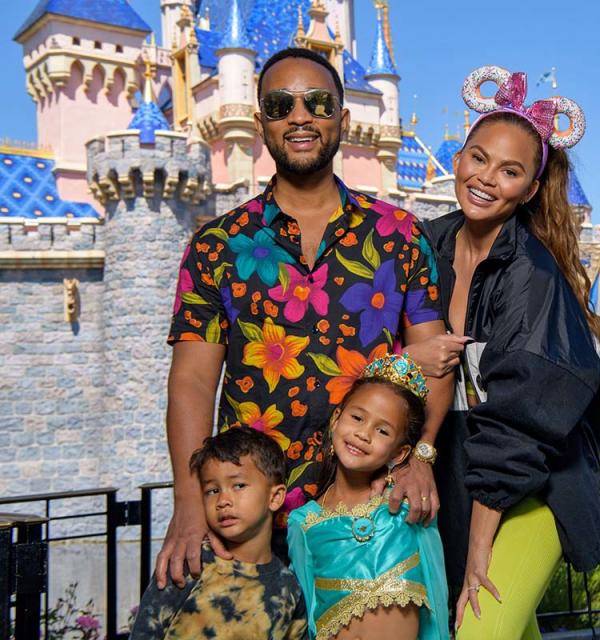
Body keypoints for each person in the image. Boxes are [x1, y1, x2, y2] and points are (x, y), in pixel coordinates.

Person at [160, 47, 452, 590]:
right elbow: (193, 379)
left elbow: (436, 360)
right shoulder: (217, 245)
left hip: (371, 513)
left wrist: (423, 457)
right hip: (249, 520)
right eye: (279, 104)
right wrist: (188, 500)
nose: (300, 116)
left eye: (317, 103)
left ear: (344, 119)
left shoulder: (400, 234)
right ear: (259, 123)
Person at [406, 66, 600, 639]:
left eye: (510, 170)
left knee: (477, 630)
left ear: (530, 188)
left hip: (534, 485)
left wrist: (479, 546)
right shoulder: (428, 243)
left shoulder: (531, 274)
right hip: (455, 476)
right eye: (478, 157)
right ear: (458, 157)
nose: (486, 178)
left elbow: (522, 419)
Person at [287, 353, 448, 640]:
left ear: (399, 453)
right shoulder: (304, 522)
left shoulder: (406, 509)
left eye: (383, 430)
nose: (363, 434)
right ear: (336, 419)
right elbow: (308, 619)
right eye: (358, 417)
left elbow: (436, 593)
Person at [131, 428, 307, 639]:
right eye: (212, 491)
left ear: (275, 497)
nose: (223, 500)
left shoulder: (290, 589)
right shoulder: (191, 562)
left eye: (238, 485)